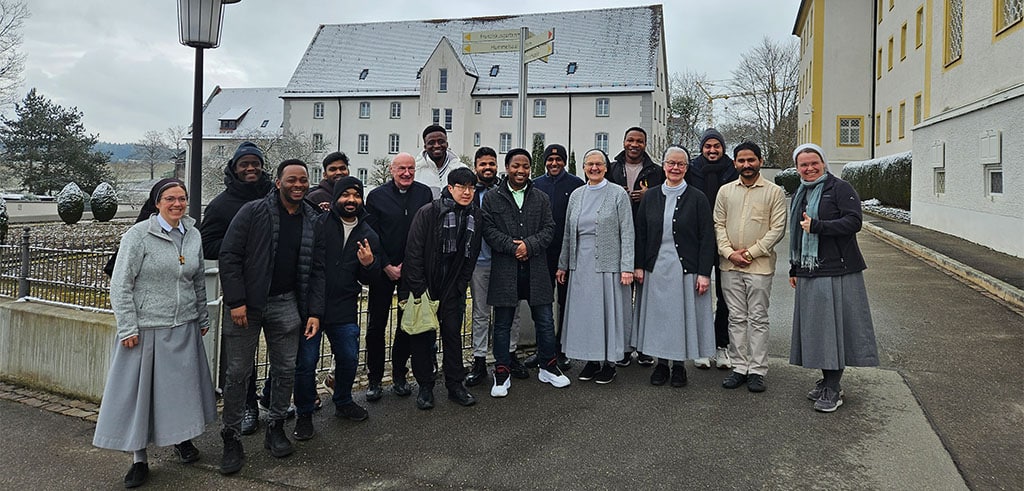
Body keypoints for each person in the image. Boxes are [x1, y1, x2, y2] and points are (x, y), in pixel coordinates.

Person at [93, 179, 216, 488]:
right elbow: (121, 284)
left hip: (184, 325)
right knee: (141, 398)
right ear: (157, 202)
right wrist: (128, 327)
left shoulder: (193, 234)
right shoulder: (137, 236)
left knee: (181, 394)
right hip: (147, 328)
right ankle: (139, 458)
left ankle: (181, 440)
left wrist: (202, 315)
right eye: (170, 198)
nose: (177, 204)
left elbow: (198, 280)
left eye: (182, 199)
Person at [217, 159, 316, 474]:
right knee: (237, 373)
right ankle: (230, 437)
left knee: (285, 369)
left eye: (303, 180)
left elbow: (318, 269)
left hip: (287, 302)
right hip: (247, 304)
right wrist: (236, 300)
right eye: (291, 180)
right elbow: (229, 255)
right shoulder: (253, 212)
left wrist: (313, 311)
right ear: (278, 183)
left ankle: (275, 426)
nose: (298, 185)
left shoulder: (312, 218)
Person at [788, 143, 878, 413]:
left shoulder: (840, 188)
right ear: (797, 168)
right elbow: (796, 235)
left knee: (833, 330)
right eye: (803, 164)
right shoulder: (800, 193)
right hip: (809, 269)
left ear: (823, 162)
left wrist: (819, 226)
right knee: (817, 330)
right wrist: (795, 268)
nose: (810, 168)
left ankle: (833, 386)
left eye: (814, 162)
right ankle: (827, 379)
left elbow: (854, 222)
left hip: (838, 269)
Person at [199, 141, 274, 436]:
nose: (251, 168)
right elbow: (207, 243)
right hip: (241, 288)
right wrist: (243, 248)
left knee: (282, 351)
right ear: (235, 168)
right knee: (241, 359)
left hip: (278, 287)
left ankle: (274, 401)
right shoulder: (222, 204)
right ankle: (247, 407)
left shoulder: (274, 195)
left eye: (255, 163)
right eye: (245, 164)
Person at [482, 147, 571, 397]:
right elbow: (488, 230)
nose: (520, 171)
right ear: (507, 167)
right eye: (515, 166)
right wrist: (513, 247)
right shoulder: (492, 197)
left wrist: (528, 246)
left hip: (536, 268)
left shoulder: (540, 197)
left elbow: (549, 228)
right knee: (502, 324)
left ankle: (548, 366)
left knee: (544, 320)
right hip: (505, 269)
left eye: (525, 166)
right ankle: (502, 372)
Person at [301, 176, 382, 439]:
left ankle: (343, 401)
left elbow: (372, 279)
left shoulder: (368, 234)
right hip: (311, 305)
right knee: (306, 361)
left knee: (348, 357)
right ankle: (303, 413)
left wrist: (369, 264)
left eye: (356, 195)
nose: (351, 200)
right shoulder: (318, 225)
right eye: (345, 195)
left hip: (343, 306)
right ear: (335, 198)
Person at [632, 146, 715, 388]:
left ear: (687, 168)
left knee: (680, 318)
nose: (675, 168)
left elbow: (706, 238)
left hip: (684, 268)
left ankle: (679, 367)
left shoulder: (698, 198)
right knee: (659, 318)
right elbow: (641, 233)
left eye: (680, 164)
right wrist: (638, 265)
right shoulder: (651, 196)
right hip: (656, 268)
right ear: (664, 166)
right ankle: (661, 364)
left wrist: (704, 273)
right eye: (671, 163)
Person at [404, 167, 484, 409]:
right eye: (461, 187)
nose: (467, 192)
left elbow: (472, 254)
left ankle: (455, 385)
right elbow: (414, 252)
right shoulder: (429, 212)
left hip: (453, 287)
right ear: (450, 188)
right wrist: (420, 289)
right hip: (426, 286)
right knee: (423, 338)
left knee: (452, 336)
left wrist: (461, 285)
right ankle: (425, 387)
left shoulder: (475, 216)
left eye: (471, 187)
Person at [713, 142, 787, 393]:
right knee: (735, 317)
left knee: (757, 318)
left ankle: (757, 370)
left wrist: (751, 253)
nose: (747, 165)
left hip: (760, 266)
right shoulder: (725, 192)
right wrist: (729, 253)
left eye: (751, 160)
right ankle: (739, 367)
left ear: (760, 161)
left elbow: (777, 229)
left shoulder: (774, 192)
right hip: (729, 264)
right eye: (742, 161)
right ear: (734, 163)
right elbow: (718, 225)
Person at [556, 149, 634, 384]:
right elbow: (568, 234)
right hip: (581, 264)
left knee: (607, 314)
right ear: (583, 167)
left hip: (608, 263)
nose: (594, 168)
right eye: (589, 164)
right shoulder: (577, 195)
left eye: (599, 164)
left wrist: (627, 266)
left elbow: (627, 232)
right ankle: (591, 360)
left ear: (606, 167)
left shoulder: (618, 194)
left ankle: (609, 363)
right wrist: (563, 265)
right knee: (587, 315)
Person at [364, 153, 434, 400]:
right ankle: (374, 379)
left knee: (408, 325)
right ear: (391, 170)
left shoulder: (424, 193)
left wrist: (411, 265)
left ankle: (399, 375)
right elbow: (370, 234)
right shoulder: (376, 197)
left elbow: (426, 232)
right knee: (376, 326)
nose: (407, 173)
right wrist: (385, 265)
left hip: (412, 271)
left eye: (411, 169)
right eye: (402, 169)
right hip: (383, 270)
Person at [465, 147, 525, 386]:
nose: (487, 168)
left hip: (506, 261)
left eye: (491, 164)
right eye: (483, 164)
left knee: (513, 310)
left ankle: (510, 354)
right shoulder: (469, 192)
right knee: (480, 312)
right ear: (476, 166)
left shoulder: (504, 191)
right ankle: (479, 359)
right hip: (479, 261)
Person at [607, 126, 663, 367]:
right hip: (616, 237)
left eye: (639, 141)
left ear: (645, 144)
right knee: (620, 296)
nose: (634, 144)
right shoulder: (612, 168)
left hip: (645, 237)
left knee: (645, 296)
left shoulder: (656, 171)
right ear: (623, 141)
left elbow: (665, 197)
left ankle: (644, 346)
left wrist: (649, 194)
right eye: (630, 140)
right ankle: (622, 346)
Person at [685, 128, 739, 370]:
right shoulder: (691, 169)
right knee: (700, 291)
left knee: (726, 296)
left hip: (728, 239)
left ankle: (721, 345)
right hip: (698, 239)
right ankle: (701, 346)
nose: (712, 150)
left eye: (716, 146)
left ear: (723, 148)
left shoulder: (732, 169)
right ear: (702, 148)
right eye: (708, 146)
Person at [531, 143, 584, 370]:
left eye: (558, 160)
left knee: (565, 301)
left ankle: (562, 349)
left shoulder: (576, 185)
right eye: (550, 160)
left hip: (567, 253)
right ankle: (542, 348)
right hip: (541, 254)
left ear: (564, 161)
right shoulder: (535, 185)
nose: (554, 163)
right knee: (541, 302)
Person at [414, 124, 469, 198]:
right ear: (425, 147)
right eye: (431, 143)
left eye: (441, 141)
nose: (437, 146)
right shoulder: (416, 170)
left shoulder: (461, 168)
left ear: (447, 144)